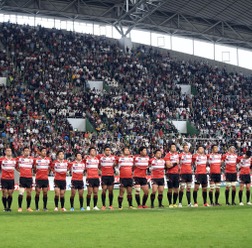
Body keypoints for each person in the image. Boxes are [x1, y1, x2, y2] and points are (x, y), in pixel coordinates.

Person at [16, 147, 34, 212]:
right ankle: (20, 207)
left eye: (28, 151)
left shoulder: (32, 159)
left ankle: (28, 207)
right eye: (25, 151)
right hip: (22, 177)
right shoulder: (19, 158)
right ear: (23, 152)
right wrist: (20, 170)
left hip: (29, 178)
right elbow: (15, 166)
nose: (27, 152)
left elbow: (34, 166)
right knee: (21, 192)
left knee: (29, 193)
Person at [98, 146, 116, 210]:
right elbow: (97, 164)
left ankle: (110, 205)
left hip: (111, 176)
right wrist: (99, 170)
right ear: (104, 151)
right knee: (104, 190)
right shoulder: (101, 157)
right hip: (104, 176)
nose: (108, 151)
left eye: (109, 150)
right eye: (106, 150)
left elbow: (115, 163)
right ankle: (103, 205)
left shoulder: (113, 158)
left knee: (110, 191)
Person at [164, 143, 180, 208]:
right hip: (170, 174)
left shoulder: (177, 155)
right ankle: (170, 203)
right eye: (173, 147)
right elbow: (168, 166)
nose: (174, 148)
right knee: (170, 189)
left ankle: (174, 203)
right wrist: (176, 163)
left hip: (176, 173)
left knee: (176, 189)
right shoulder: (167, 155)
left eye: (175, 147)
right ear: (170, 148)